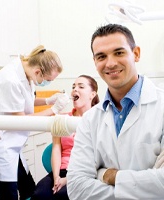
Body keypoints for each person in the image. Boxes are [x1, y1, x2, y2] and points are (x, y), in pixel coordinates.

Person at [67, 23, 164, 200]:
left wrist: (109, 176)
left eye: (119, 53)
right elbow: (76, 188)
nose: (110, 63)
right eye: (101, 56)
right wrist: (145, 184)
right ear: (95, 62)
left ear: (136, 54)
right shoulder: (90, 119)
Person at [0, 45, 69, 200]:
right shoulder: (9, 80)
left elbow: (25, 101)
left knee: (29, 190)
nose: (48, 83)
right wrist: (53, 110)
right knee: (9, 196)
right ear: (38, 72)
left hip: (14, 146)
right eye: (48, 80)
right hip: (2, 146)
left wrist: (48, 100)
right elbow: (22, 121)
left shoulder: (27, 72)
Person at [32, 75, 99, 200]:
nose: (75, 89)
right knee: (39, 195)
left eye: (81, 86)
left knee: (63, 195)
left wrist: (67, 180)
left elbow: (98, 158)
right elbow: (56, 147)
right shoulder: (62, 119)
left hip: (84, 173)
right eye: (73, 86)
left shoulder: (98, 120)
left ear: (92, 94)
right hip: (61, 170)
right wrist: (57, 177)